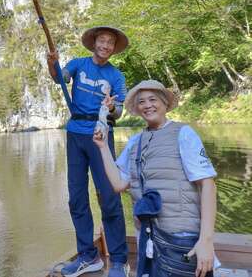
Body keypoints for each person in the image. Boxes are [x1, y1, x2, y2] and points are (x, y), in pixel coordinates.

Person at [93, 79, 217, 277]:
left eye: (153, 99)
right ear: (137, 108)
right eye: (141, 102)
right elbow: (119, 184)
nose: (147, 105)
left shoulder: (183, 134)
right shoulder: (135, 142)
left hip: (182, 237)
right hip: (148, 239)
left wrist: (206, 240)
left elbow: (208, 185)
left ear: (164, 103)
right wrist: (102, 147)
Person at [47, 26, 129, 277]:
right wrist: (51, 64)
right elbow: (59, 77)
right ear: (94, 43)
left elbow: (119, 112)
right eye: (102, 41)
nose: (105, 45)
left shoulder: (116, 76)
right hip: (75, 134)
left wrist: (112, 106)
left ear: (114, 49)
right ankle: (87, 255)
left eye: (110, 43)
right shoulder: (78, 64)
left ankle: (118, 259)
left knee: (109, 196)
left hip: (101, 134)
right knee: (77, 197)